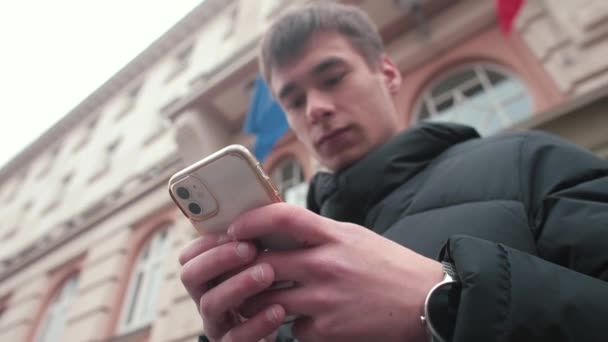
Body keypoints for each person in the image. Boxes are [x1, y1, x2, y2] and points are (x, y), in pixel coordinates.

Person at [179, 2, 608, 341]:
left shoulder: (529, 160)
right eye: (293, 100)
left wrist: (444, 301)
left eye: (332, 77)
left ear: (387, 73)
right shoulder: (281, 263)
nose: (315, 109)